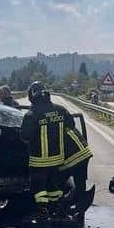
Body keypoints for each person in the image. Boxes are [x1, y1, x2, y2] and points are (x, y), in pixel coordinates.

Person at [20, 81, 75, 217]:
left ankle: (42, 209)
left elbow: (25, 137)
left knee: (38, 188)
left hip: (39, 161)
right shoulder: (61, 110)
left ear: (32, 96)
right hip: (57, 159)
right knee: (53, 187)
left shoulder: (31, 114)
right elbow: (71, 127)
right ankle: (55, 207)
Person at [60, 126, 92, 194]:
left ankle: (62, 199)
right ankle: (80, 198)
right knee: (80, 183)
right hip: (84, 153)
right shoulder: (64, 120)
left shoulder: (49, 126)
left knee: (56, 183)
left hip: (73, 158)